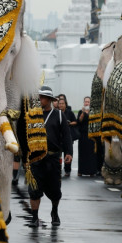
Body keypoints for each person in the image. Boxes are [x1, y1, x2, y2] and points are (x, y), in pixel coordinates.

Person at [28, 86, 72, 227]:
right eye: (38, 97)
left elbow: (66, 136)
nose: (39, 100)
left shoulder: (59, 115)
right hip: (35, 159)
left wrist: (69, 153)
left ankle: (54, 211)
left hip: (53, 159)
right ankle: (34, 217)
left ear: (49, 99)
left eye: (42, 97)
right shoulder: (33, 114)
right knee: (34, 190)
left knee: (55, 190)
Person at [77, 96, 99, 177]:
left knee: (91, 154)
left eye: (88, 102)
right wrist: (83, 113)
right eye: (85, 102)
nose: (87, 103)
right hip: (83, 135)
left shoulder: (93, 112)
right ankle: (81, 171)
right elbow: (79, 120)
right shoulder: (80, 112)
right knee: (82, 154)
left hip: (91, 136)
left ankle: (91, 171)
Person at [58, 95, 77, 177]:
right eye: (60, 103)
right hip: (59, 137)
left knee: (68, 153)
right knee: (58, 155)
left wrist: (69, 123)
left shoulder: (70, 112)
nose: (61, 105)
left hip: (68, 136)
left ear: (65, 104)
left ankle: (67, 170)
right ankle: (58, 169)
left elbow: (75, 122)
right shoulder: (56, 112)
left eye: (63, 103)